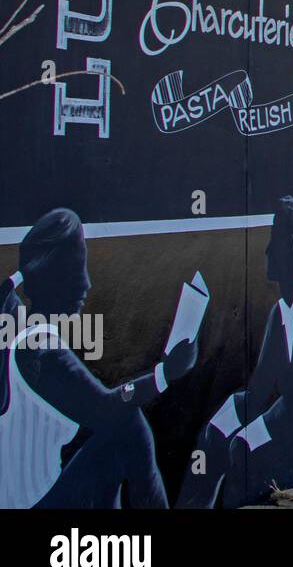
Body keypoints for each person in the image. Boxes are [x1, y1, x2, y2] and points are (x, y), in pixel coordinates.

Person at [0, 208, 198, 509]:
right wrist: (164, 374)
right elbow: (106, 406)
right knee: (129, 425)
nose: (87, 283)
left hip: (38, 497)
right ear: (54, 274)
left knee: (117, 437)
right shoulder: (40, 349)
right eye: (78, 267)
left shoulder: (19, 325)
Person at [178, 197, 293, 508]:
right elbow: (260, 387)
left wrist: (262, 427)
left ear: (290, 244)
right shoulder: (279, 313)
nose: (266, 250)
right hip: (283, 419)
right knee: (216, 433)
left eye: (272, 240)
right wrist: (227, 418)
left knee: (241, 450)